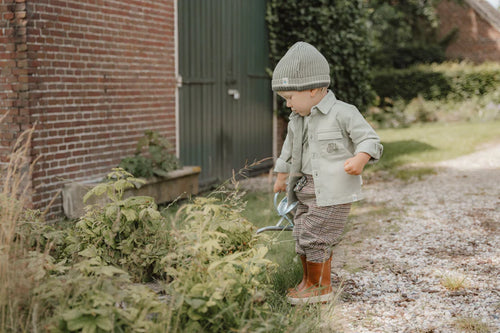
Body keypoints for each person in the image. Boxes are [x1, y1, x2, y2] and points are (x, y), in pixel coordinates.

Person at [272, 41, 383, 305]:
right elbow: (288, 150)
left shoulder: (343, 113)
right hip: (305, 189)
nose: (287, 104)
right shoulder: (297, 120)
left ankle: (321, 287)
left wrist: (361, 157)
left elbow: (370, 139)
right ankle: (308, 282)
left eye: (289, 98)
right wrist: (281, 174)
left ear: (312, 89)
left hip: (332, 192)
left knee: (315, 235)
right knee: (300, 234)